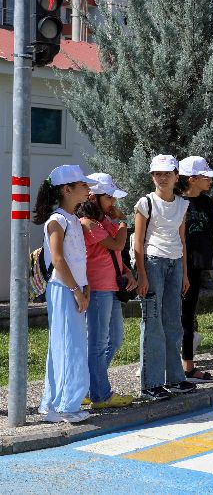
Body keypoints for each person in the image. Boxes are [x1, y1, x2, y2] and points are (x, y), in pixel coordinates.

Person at [34, 165, 96, 423]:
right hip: (63, 288)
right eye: (82, 185)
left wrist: (85, 287)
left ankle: (55, 403)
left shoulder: (70, 218)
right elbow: (59, 260)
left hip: (73, 287)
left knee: (69, 344)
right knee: (69, 345)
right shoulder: (57, 220)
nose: (87, 188)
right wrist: (76, 290)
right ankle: (64, 406)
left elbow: (76, 259)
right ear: (66, 190)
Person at [134, 154, 195, 401]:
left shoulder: (182, 204)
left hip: (175, 263)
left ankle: (175, 378)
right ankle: (151, 383)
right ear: (152, 176)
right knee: (153, 322)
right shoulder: (145, 203)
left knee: (172, 322)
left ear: (176, 176)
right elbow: (138, 241)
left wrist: (185, 274)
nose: (162, 178)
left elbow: (182, 240)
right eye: (157, 174)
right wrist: (141, 274)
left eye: (167, 173)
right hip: (153, 262)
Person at [77, 173, 135, 410]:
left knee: (116, 339)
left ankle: (90, 386)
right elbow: (118, 244)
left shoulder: (103, 222)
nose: (113, 202)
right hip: (99, 287)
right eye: (108, 197)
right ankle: (100, 395)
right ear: (93, 196)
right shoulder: (88, 223)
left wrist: (128, 272)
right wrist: (123, 223)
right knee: (99, 343)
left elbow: (117, 254)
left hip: (112, 285)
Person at [177, 156, 213, 384]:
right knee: (177, 315)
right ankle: (176, 365)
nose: (210, 181)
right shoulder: (176, 201)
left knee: (189, 314)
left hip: (197, 266)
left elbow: (209, 230)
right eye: (206, 177)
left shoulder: (207, 203)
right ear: (192, 179)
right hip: (177, 265)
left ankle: (188, 365)